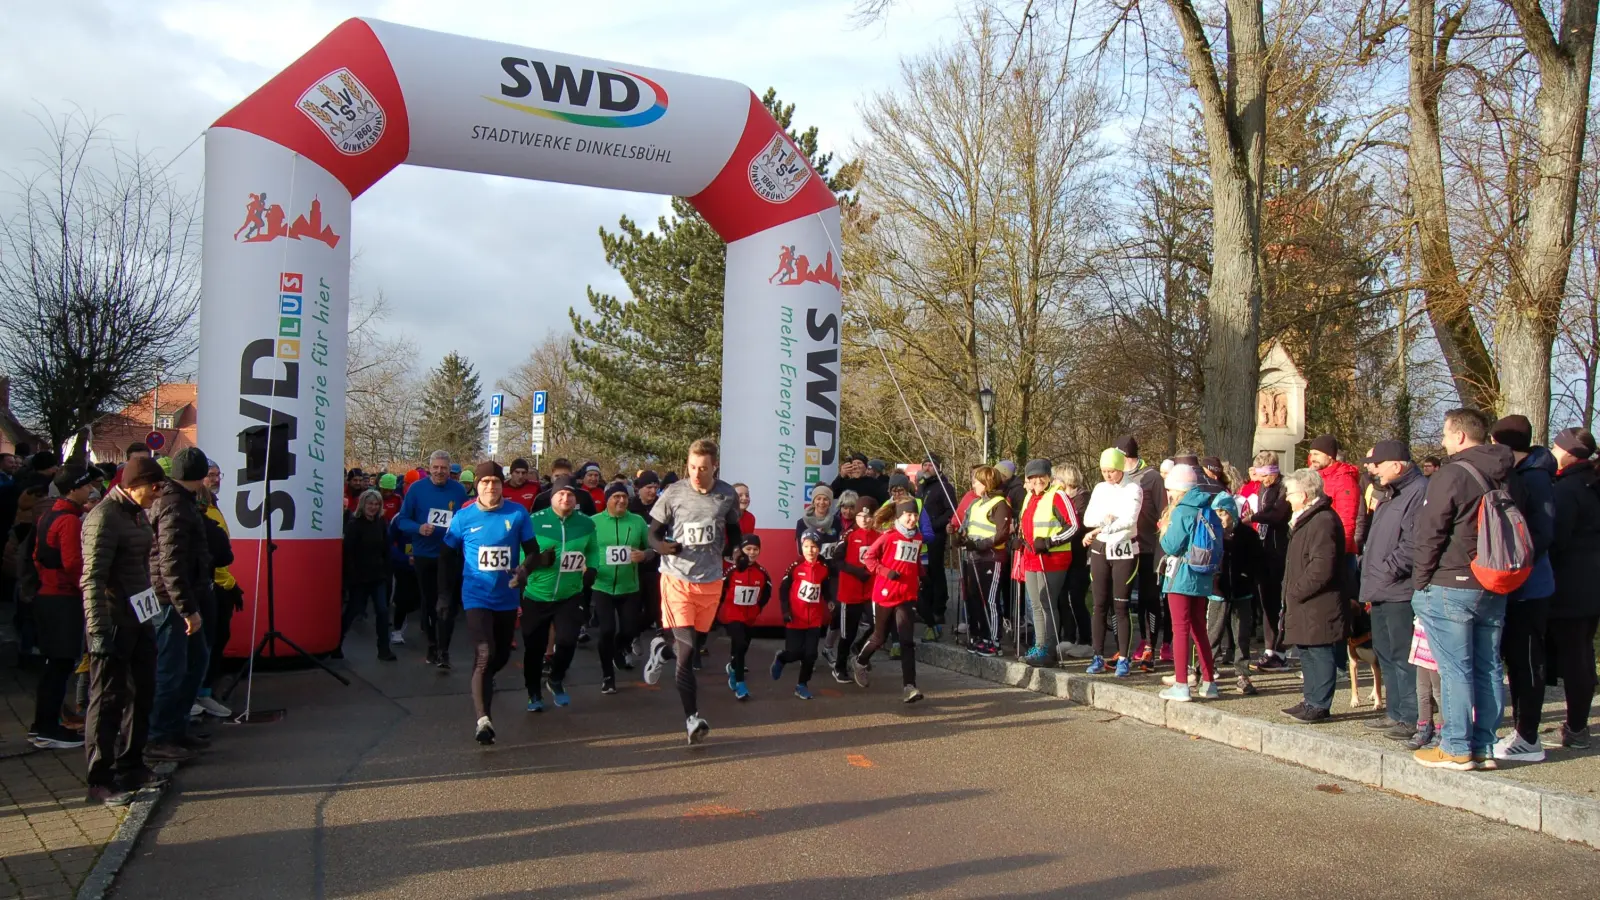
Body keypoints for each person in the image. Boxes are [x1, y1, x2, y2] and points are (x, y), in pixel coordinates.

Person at [1410, 408, 1519, 770]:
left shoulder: (1452, 474)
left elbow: (1430, 533)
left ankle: (1456, 745)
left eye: (1444, 433)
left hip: (1450, 580)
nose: (1441, 440)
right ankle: (1484, 746)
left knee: (1455, 669)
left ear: (1459, 436)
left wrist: (1420, 582)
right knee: (1488, 667)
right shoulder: (1505, 473)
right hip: (1492, 580)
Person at [80, 457, 167, 806]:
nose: (158, 493)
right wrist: (98, 630)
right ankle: (100, 778)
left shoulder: (136, 513)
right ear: (135, 484)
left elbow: (140, 567)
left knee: (143, 691)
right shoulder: (104, 517)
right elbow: (92, 579)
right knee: (107, 700)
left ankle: (132, 763)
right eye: (154, 487)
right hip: (113, 620)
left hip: (140, 617)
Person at [645, 438, 742, 745]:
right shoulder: (674, 493)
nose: (697, 474)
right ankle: (692, 719)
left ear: (715, 467)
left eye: (703, 468)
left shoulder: (726, 495)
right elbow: (652, 533)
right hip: (676, 578)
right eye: (692, 467)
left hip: (711, 580)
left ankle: (661, 650)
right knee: (687, 653)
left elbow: (734, 532)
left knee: (692, 644)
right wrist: (662, 547)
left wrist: (735, 552)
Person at [443, 463, 536, 744]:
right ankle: (483, 720)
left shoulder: (517, 513)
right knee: (484, 652)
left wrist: (523, 571)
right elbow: (446, 556)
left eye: (495, 482)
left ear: (502, 485)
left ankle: (481, 680)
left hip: (506, 597)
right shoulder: (463, 517)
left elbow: (533, 552)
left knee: (501, 656)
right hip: (476, 595)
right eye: (485, 482)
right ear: (477, 485)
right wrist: (443, 595)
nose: (490, 487)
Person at [1488, 415, 1558, 763]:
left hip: (1530, 585)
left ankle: (1529, 736)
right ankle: (1520, 729)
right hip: (1513, 585)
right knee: (1513, 661)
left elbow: (1543, 532)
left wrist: (1513, 558)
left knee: (1526, 660)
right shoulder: (1520, 474)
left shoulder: (1536, 477)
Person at [1357, 441, 1428, 742]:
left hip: (1399, 588)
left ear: (1396, 465)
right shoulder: (1391, 493)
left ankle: (1411, 716)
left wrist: (1387, 569)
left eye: (1378, 463)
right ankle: (1395, 712)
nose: (1371, 469)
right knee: (1385, 652)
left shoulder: (1418, 491)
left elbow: (1413, 543)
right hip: (1380, 586)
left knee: (1403, 654)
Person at [145, 448, 213, 761]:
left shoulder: (179, 501)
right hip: (171, 602)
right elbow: (170, 564)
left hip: (181, 597)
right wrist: (187, 608)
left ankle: (176, 727)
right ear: (199, 476)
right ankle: (158, 736)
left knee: (195, 662)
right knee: (171, 669)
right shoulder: (174, 506)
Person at [27, 467, 96, 749]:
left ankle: (43, 725)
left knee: (53, 665)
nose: (90, 490)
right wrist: (87, 586)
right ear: (73, 489)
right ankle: (46, 727)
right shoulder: (69, 521)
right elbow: (73, 564)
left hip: (46, 595)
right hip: (62, 599)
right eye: (85, 486)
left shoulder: (47, 516)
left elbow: (36, 555)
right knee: (60, 665)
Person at [520, 476, 596, 711]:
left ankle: (555, 679)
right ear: (552, 496)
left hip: (569, 594)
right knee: (534, 647)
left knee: (567, 640)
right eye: (561, 494)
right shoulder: (534, 521)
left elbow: (593, 549)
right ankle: (533, 692)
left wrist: (592, 568)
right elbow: (521, 557)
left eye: (570, 495)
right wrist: (538, 561)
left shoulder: (585, 523)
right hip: (536, 594)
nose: (566, 498)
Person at [1279, 467, 1348, 723]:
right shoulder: (1306, 520)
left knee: (1320, 652)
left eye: (1290, 493)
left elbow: (1322, 566)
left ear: (1305, 495)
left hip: (1319, 602)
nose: (1287, 498)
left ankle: (1319, 704)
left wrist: (1296, 591)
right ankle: (1310, 699)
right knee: (1307, 651)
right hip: (1304, 602)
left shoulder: (1323, 520)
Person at [1547, 427, 1599, 750]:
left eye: (1555, 446)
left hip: (1571, 586)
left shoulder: (1568, 488)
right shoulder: (1591, 484)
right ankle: (1578, 723)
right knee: (1583, 653)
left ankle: (1577, 727)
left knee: (1574, 658)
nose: (1552, 451)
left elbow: (1558, 539)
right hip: (1591, 585)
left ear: (1567, 452)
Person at [393, 450, 469, 668]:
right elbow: (402, 521)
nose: (439, 472)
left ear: (450, 470)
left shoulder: (458, 490)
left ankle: (444, 651)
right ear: (429, 469)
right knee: (429, 603)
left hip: (449, 555)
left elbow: (466, 518)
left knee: (447, 603)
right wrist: (419, 528)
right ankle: (432, 644)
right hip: (424, 554)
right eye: (435, 467)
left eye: (443, 468)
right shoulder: (417, 489)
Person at [1155, 465, 1223, 701]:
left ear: (1178, 489)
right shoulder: (1208, 507)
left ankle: (1181, 683)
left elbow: (1171, 546)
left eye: (1170, 490)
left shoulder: (1182, 510)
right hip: (1203, 575)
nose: (1169, 494)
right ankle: (1209, 681)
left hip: (1181, 576)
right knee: (1198, 628)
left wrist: (1165, 528)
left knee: (1180, 628)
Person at [852, 499, 925, 702]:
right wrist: (884, 571)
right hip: (885, 594)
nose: (912, 519)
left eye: (915, 515)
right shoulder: (889, 536)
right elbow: (868, 557)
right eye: (908, 515)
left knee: (906, 641)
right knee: (879, 637)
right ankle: (860, 661)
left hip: (907, 595)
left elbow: (915, 560)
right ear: (899, 516)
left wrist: (922, 574)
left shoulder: (918, 537)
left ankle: (909, 687)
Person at [1083, 448, 1144, 676]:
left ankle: (1123, 658)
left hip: (1124, 549)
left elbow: (1130, 520)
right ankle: (1097, 655)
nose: (1108, 476)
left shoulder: (1133, 488)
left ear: (1121, 469)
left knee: (1120, 605)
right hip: (1101, 548)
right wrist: (1104, 521)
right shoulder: (1100, 489)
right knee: (1099, 605)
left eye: (1112, 471)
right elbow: (1088, 518)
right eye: (1104, 471)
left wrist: (1106, 525)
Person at [589, 483, 652, 694]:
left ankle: (619, 649)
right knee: (606, 630)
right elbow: (583, 549)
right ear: (607, 499)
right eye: (616, 496)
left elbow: (651, 547)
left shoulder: (637, 521)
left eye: (625, 497)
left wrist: (644, 555)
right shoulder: (593, 522)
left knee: (629, 630)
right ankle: (608, 675)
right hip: (602, 586)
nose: (621, 501)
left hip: (629, 586)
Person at [1017, 458, 1080, 667]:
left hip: (1053, 558)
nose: (1036, 482)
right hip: (1031, 556)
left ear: (1048, 477)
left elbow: (1073, 526)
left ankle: (1049, 649)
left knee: (1047, 602)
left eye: (1040, 477)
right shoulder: (1029, 497)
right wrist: (1019, 539)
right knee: (1035, 603)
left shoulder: (1058, 495)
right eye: (1032, 478)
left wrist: (1051, 541)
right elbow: (1026, 524)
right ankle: (1040, 644)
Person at [1114, 436, 1168, 670]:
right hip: (1121, 549)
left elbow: (1165, 513)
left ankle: (1150, 647)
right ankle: (1122, 648)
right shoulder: (1115, 478)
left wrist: (1161, 553)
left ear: (1128, 457)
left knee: (1149, 599)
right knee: (1119, 599)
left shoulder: (1152, 478)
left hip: (1147, 549)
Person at [951, 465, 1011, 658]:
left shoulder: (1000, 504)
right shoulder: (975, 504)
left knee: (990, 600)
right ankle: (980, 635)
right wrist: (958, 537)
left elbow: (1002, 534)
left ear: (987, 483)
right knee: (974, 597)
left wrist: (980, 544)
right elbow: (966, 527)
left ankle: (994, 640)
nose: (973, 484)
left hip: (991, 558)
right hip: (973, 558)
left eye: (977, 480)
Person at [1206, 492, 1262, 696]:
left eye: (1223, 513)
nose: (1220, 518)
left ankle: (1243, 674)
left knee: (1242, 635)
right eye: (1216, 514)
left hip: (1242, 589)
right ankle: (1206, 669)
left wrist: (1249, 577)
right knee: (1213, 632)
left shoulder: (1248, 535)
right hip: (1217, 590)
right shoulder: (1211, 533)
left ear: (1232, 513)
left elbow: (1257, 560)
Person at [196, 462, 238, 719]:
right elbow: (211, 555)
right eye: (209, 475)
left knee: (217, 639)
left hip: (219, 582)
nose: (215, 479)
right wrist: (228, 583)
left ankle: (206, 690)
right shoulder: (204, 512)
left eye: (217, 475)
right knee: (208, 643)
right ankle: (202, 693)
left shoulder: (214, 506)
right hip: (212, 584)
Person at [1246, 451, 1292, 671]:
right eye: (1260, 476)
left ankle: (1281, 650)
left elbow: (1277, 515)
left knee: (1280, 603)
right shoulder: (1264, 487)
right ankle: (1269, 648)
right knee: (1266, 603)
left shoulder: (1284, 487)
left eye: (1266, 476)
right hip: (1264, 549)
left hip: (1280, 550)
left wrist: (1254, 517)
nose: (1263, 481)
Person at [771, 531, 830, 699]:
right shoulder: (795, 566)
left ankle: (802, 685)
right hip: (795, 618)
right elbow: (783, 589)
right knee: (795, 652)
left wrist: (831, 602)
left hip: (815, 619)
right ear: (801, 547)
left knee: (811, 654)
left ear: (819, 549)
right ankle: (782, 658)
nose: (810, 550)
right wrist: (786, 611)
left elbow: (825, 589)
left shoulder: (824, 568)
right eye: (806, 547)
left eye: (813, 547)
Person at [342, 489, 396, 661]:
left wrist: (387, 571)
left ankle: (384, 649)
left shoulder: (380, 523)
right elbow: (348, 553)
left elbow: (386, 548)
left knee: (382, 611)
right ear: (363, 504)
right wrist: (351, 577)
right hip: (359, 577)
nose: (373, 507)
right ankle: (336, 644)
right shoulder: (354, 524)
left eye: (376, 504)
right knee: (352, 611)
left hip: (378, 575)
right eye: (370, 504)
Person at [718, 534, 772, 700]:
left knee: (742, 646)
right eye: (748, 549)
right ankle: (741, 684)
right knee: (740, 643)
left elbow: (766, 593)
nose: (752, 552)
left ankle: (734, 667)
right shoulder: (732, 571)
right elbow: (720, 591)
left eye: (756, 549)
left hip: (750, 617)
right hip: (732, 615)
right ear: (742, 550)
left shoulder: (762, 573)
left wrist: (757, 608)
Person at [832, 504, 877, 683]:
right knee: (847, 633)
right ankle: (839, 667)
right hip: (850, 591)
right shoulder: (848, 535)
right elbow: (836, 560)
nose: (864, 520)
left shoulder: (878, 536)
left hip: (871, 591)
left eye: (868, 516)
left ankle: (859, 647)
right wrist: (855, 571)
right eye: (860, 516)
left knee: (877, 627)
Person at [1306, 434, 1363, 570]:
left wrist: (1339, 552)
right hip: (1319, 546)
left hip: (1337, 552)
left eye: (1317, 454)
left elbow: (1347, 522)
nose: (1312, 458)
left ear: (1330, 455)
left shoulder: (1344, 481)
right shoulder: (1318, 477)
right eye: (1311, 454)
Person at [1056, 463, 1094, 659]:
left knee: (1076, 598)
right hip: (1066, 556)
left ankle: (1086, 639)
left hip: (1081, 557)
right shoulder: (1064, 500)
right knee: (1064, 596)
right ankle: (1069, 636)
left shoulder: (1082, 500)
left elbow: (1077, 526)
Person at [917, 455, 957, 639]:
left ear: (938, 467)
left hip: (937, 535)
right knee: (924, 572)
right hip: (921, 537)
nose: (926, 468)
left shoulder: (944, 487)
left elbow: (951, 511)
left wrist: (934, 525)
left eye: (930, 465)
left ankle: (939, 608)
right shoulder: (922, 487)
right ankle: (926, 606)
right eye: (924, 464)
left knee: (936, 570)